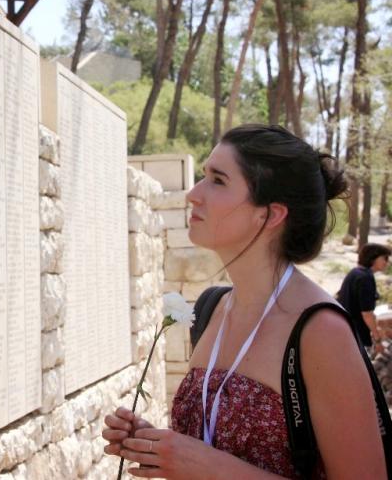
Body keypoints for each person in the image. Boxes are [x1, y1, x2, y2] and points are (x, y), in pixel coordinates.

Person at [102, 124, 387, 478]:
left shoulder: (319, 331)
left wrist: (211, 468)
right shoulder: (212, 309)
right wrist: (156, 445)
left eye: (218, 180)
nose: (194, 193)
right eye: (203, 176)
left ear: (269, 214)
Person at [337, 243, 390, 356]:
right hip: (357, 337)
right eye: (384, 258)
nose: (387, 262)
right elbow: (367, 314)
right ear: (373, 258)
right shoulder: (365, 278)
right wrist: (377, 339)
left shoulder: (355, 273)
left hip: (345, 332)